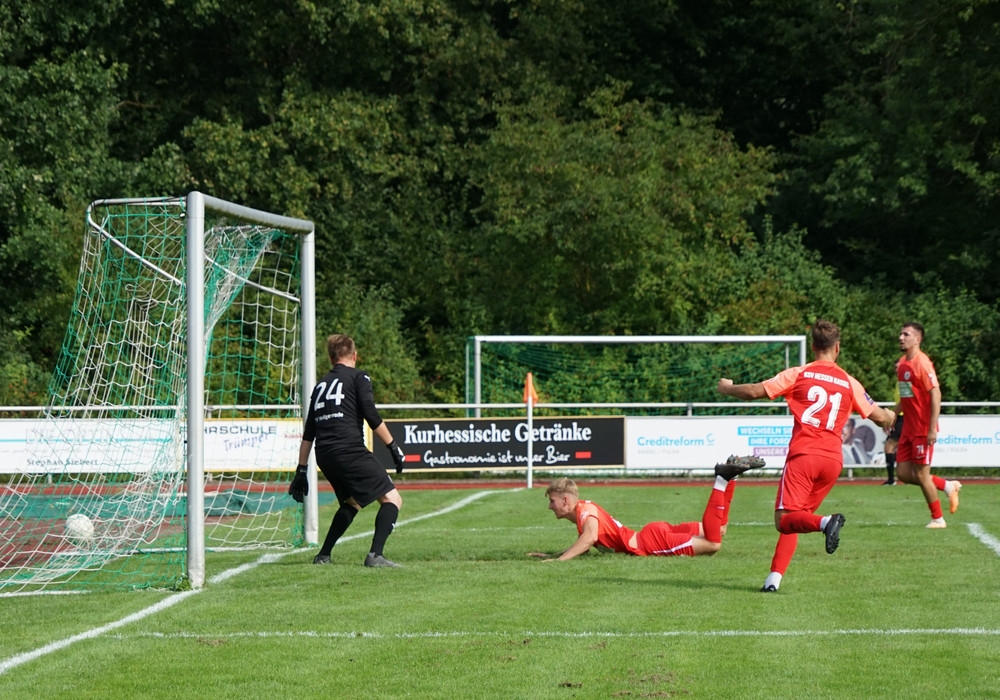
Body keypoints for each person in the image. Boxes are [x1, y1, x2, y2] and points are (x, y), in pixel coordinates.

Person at [717, 319, 896, 593]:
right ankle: (773, 581)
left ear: (813, 346)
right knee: (797, 518)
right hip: (832, 461)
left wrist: (727, 388)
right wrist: (891, 416)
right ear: (837, 348)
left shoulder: (799, 374)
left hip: (804, 456)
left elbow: (754, 391)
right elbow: (880, 416)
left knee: (784, 520)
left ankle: (826, 522)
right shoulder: (849, 382)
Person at [289, 334, 407, 567]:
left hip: (325, 455)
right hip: (349, 450)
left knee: (352, 502)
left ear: (331, 358)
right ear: (355, 355)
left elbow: (309, 433)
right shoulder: (359, 377)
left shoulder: (320, 386)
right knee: (392, 498)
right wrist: (393, 446)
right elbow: (370, 414)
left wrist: (301, 470)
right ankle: (376, 556)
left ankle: (323, 555)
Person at [527, 455, 765, 562]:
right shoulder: (584, 511)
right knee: (719, 528)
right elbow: (583, 545)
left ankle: (722, 480)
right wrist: (553, 555)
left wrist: (559, 561)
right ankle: (732, 478)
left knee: (713, 544)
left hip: (649, 544)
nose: (550, 506)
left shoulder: (585, 513)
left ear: (565, 500)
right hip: (653, 533)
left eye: (553, 501)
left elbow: (588, 540)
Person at [891, 322, 961, 528]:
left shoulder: (922, 363)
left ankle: (938, 518)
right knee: (903, 474)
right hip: (908, 428)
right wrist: (894, 414)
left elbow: (935, 394)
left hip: (922, 429)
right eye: (900, 333)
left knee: (922, 474)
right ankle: (947, 485)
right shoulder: (902, 364)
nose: (901, 337)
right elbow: (906, 396)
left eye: (906, 334)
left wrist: (931, 428)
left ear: (917, 339)